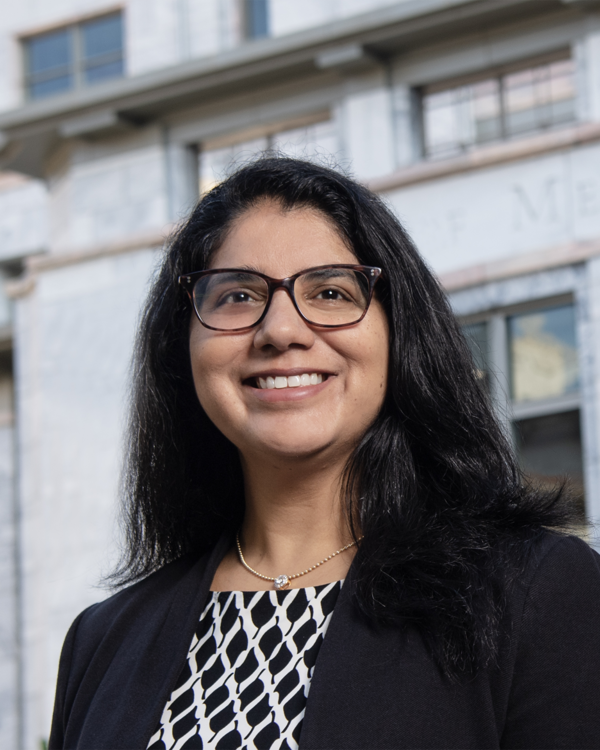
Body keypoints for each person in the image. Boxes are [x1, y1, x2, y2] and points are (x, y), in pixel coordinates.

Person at [49, 157, 600, 750]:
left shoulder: (536, 592)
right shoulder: (100, 643)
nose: (281, 329)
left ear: (399, 332)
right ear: (183, 344)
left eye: (332, 291)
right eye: (238, 295)